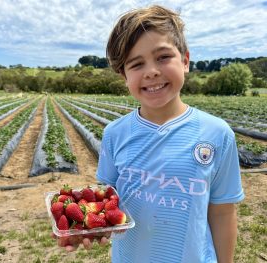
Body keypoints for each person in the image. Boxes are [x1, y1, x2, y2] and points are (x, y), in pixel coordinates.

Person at [57, 5, 244, 263]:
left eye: (163, 57)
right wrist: (87, 226)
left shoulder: (217, 134)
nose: (151, 71)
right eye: (136, 64)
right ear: (124, 76)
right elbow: (105, 201)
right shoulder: (114, 134)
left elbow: (222, 212)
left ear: (185, 60)